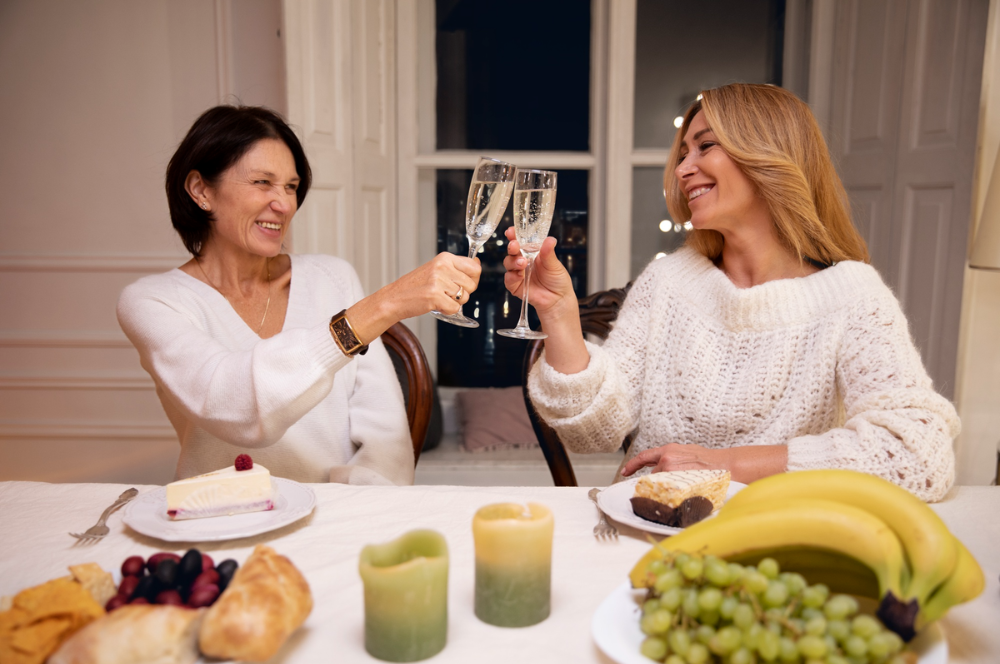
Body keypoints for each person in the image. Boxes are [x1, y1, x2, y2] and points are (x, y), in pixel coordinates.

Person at [503, 84, 958, 501]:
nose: (683, 169)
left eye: (705, 146)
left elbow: (918, 455)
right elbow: (594, 432)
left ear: (767, 154)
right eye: (683, 153)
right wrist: (558, 313)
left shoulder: (852, 295)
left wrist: (725, 465)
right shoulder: (669, 282)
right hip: (647, 529)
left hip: (779, 541)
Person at [118, 105, 479, 484]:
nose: (285, 204)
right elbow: (234, 404)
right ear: (200, 190)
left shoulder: (332, 278)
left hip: (334, 522)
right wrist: (384, 305)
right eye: (262, 183)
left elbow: (385, 440)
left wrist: (354, 515)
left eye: (291, 187)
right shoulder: (154, 302)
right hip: (221, 526)